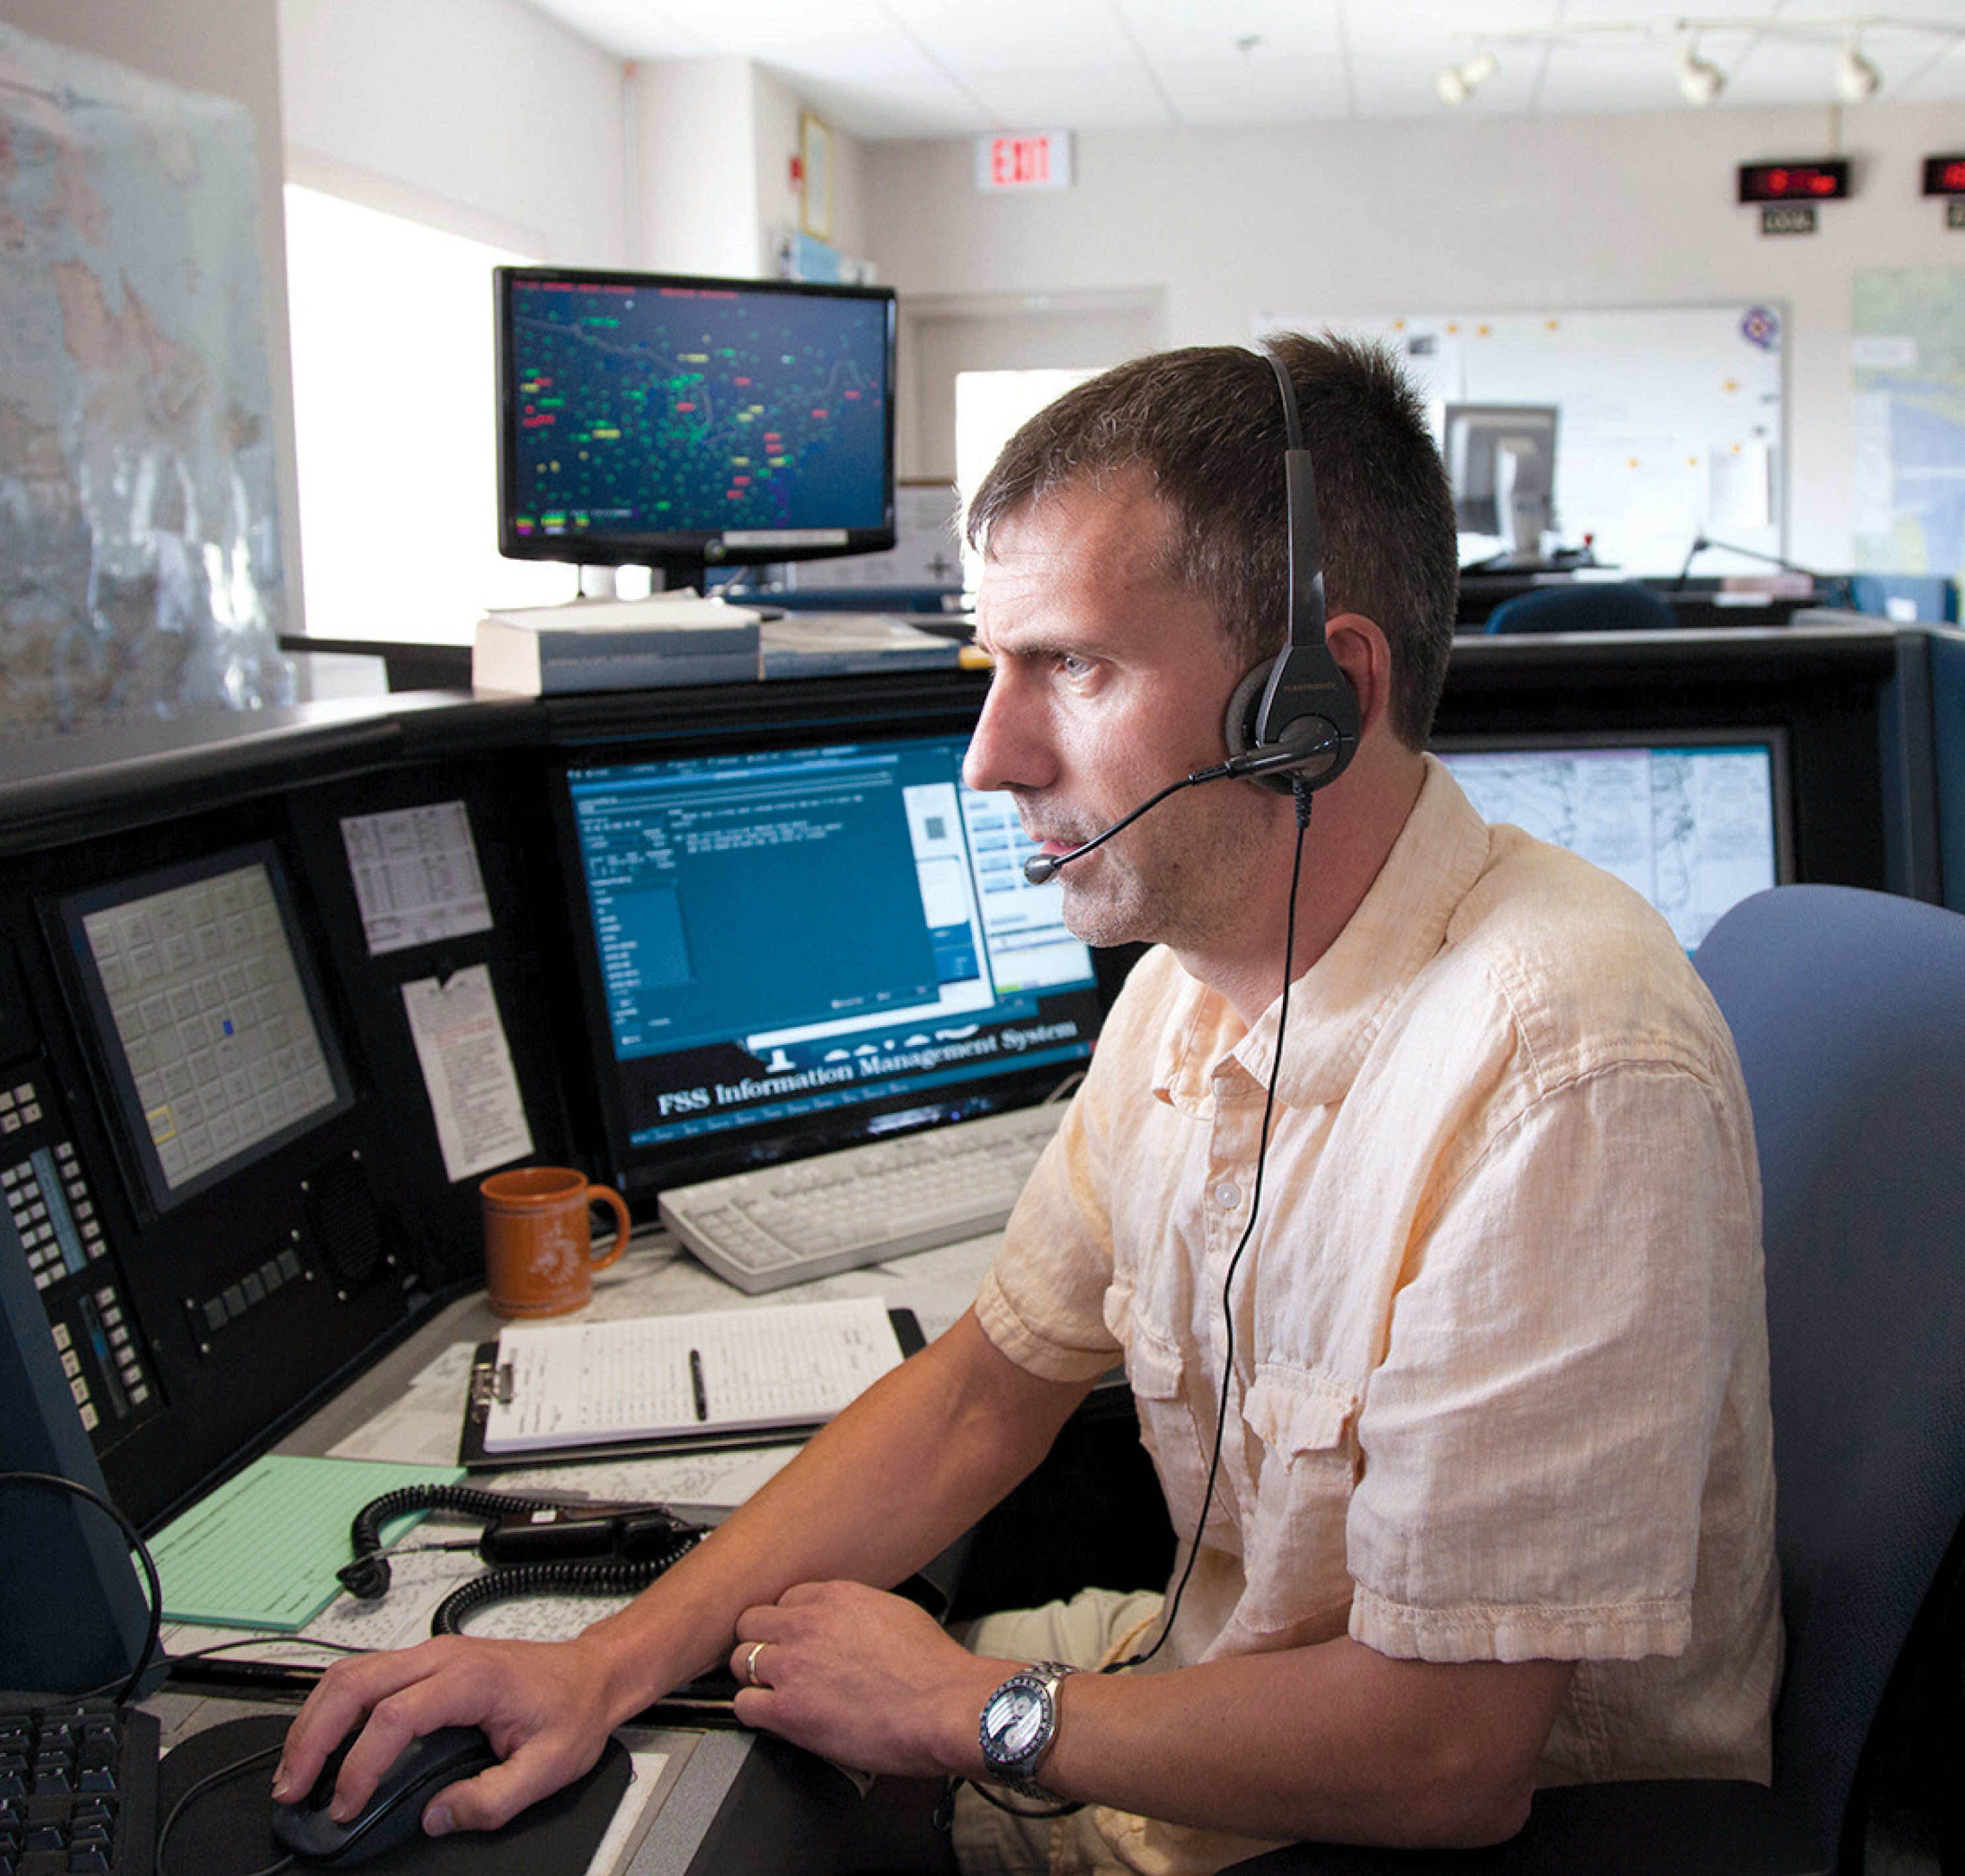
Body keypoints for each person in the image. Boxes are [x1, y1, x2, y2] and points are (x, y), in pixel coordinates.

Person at [275, 333, 1780, 1875]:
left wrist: (971, 1710)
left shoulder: (1560, 1070)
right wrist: (605, 1662)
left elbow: (1448, 1760)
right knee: (710, 1752)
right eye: (996, 668)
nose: (991, 756)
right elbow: (988, 1389)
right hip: (1203, 1683)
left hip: (1426, 1831)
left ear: (1318, 701)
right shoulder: (1196, 982)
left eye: (1074, 665)